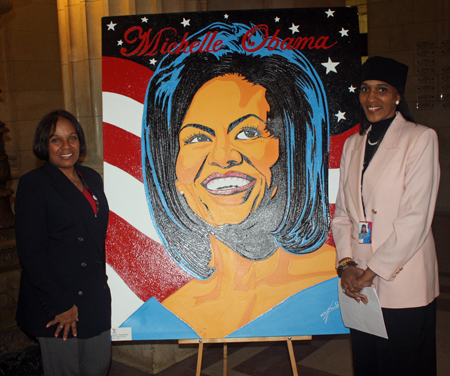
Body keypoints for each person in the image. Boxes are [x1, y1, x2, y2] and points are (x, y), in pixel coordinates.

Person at [142, 23, 337, 337]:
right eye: (195, 139)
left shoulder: (337, 287)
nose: (222, 157)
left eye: (248, 133)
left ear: (294, 152)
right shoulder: (166, 316)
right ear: (170, 168)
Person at [332, 56, 440, 375]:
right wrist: (348, 265)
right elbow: (343, 215)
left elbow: (416, 218)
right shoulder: (353, 145)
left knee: (403, 363)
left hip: (403, 278)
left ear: (397, 96)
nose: (372, 98)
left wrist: (373, 270)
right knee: (367, 363)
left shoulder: (419, 139)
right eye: (365, 89)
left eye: (382, 89)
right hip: (359, 281)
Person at [15, 110, 111, 375]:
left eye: (72, 138)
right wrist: (61, 305)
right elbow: (31, 253)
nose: (66, 146)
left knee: (98, 366)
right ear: (44, 145)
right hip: (56, 301)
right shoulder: (34, 184)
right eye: (56, 140)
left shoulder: (92, 177)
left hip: (93, 296)